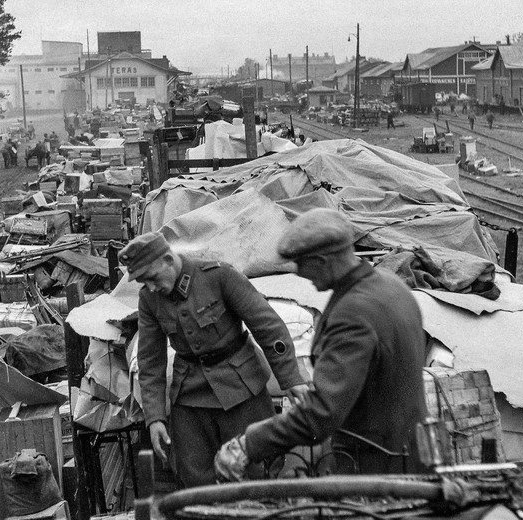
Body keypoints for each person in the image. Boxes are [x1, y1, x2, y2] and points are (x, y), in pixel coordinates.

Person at [215, 208, 427, 481]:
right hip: (412, 455)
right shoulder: (392, 287)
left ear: (324, 261)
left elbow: (322, 413)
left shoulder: (353, 313)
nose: (300, 273)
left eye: (302, 263)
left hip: (378, 471)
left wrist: (249, 443)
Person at [119, 232, 307, 489]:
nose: (151, 287)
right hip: (190, 394)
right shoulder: (149, 299)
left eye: (151, 278)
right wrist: (155, 419)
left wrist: (291, 379)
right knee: (194, 474)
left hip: (241, 388)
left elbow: (268, 327)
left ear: (167, 260)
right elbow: (150, 361)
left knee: (258, 468)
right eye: (143, 281)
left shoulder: (219, 277)